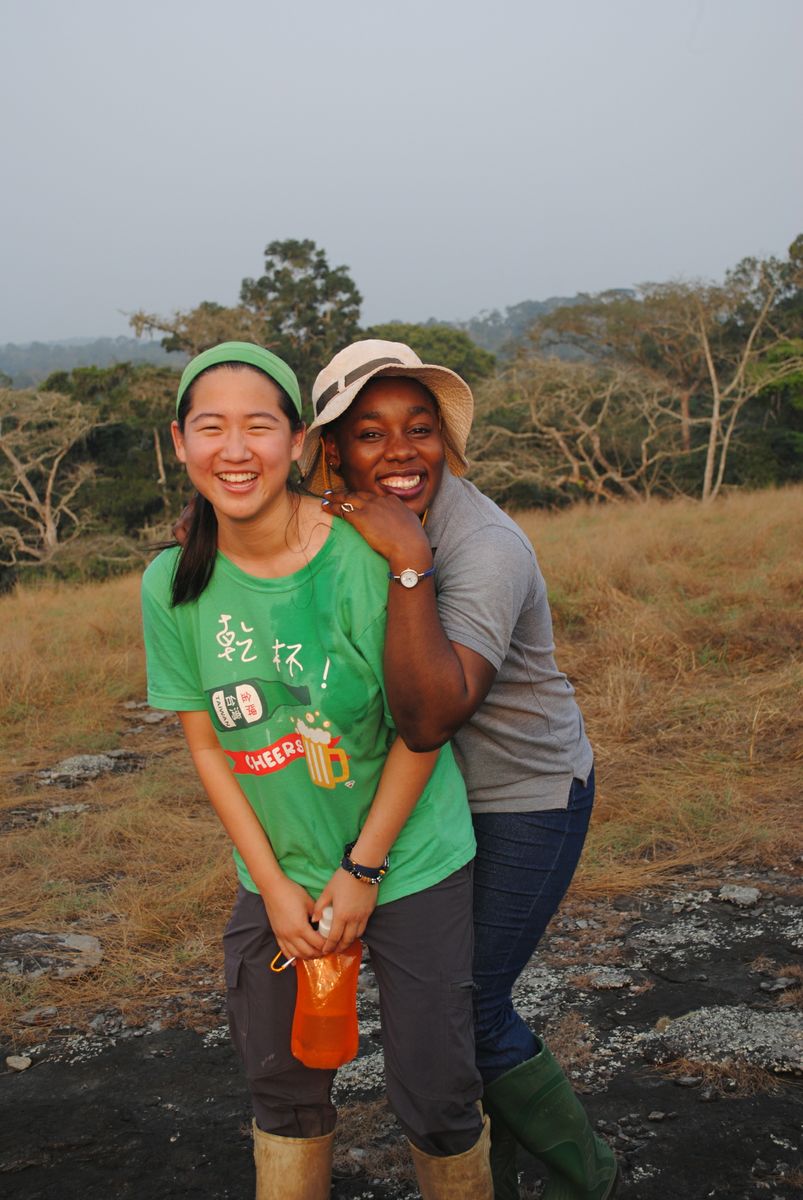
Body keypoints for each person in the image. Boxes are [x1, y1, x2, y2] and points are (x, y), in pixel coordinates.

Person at [141, 342, 494, 1199]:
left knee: (437, 1087)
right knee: (282, 1084)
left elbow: (420, 733)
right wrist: (272, 887)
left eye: (258, 426)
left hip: (407, 861)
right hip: (280, 874)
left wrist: (362, 869)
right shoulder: (171, 584)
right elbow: (205, 745)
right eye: (211, 428)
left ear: (298, 442)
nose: (235, 450)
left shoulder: (364, 554)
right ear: (179, 444)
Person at [300, 339, 618, 1200]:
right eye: (370, 433)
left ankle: (589, 1177)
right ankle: (496, 1175)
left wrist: (408, 557)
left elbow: (432, 715)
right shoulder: (334, 517)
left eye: (420, 428)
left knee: (468, 1013)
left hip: (523, 797)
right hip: (425, 808)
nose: (401, 451)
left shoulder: (481, 546)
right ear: (333, 448)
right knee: (447, 1014)